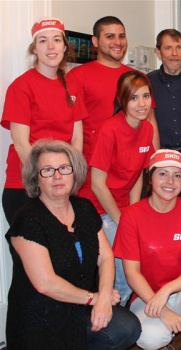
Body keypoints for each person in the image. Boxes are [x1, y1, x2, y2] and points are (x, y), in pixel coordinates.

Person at [5, 140, 141, 350]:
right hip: (40, 318)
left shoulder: (84, 208)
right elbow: (45, 283)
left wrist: (104, 296)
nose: (57, 176)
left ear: (74, 173)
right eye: (47, 170)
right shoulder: (28, 218)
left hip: (80, 307)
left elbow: (105, 257)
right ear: (35, 179)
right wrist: (93, 298)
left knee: (127, 327)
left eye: (64, 168)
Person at [113, 149, 181, 350]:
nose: (170, 182)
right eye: (162, 174)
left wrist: (167, 290)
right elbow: (131, 273)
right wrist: (162, 309)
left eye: (177, 175)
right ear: (150, 178)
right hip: (148, 297)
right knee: (150, 339)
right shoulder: (131, 215)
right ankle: (164, 338)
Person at [79, 70, 155, 305]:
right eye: (134, 98)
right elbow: (97, 185)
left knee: (143, 251)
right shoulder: (109, 130)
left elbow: (137, 178)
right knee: (124, 262)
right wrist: (123, 221)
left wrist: (133, 215)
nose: (141, 104)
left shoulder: (147, 130)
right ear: (122, 100)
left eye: (145, 96)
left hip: (123, 207)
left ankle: (126, 311)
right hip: (97, 207)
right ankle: (114, 313)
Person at [1, 18, 85, 224]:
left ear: (65, 47)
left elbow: (77, 141)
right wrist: (47, 180)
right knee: (30, 255)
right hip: (27, 187)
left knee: (62, 255)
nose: (50, 46)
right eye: (42, 41)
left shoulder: (72, 86)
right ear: (34, 50)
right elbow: (22, 144)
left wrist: (66, 178)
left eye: (56, 40)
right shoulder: (21, 87)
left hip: (62, 186)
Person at [67, 15, 159, 165]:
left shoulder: (138, 77)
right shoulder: (77, 76)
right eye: (110, 36)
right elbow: (69, 126)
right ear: (95, 41)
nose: (118, 42)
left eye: (122, 36)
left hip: (133, 167)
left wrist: (155, 163)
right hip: (93, 165)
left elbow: (150, 122)